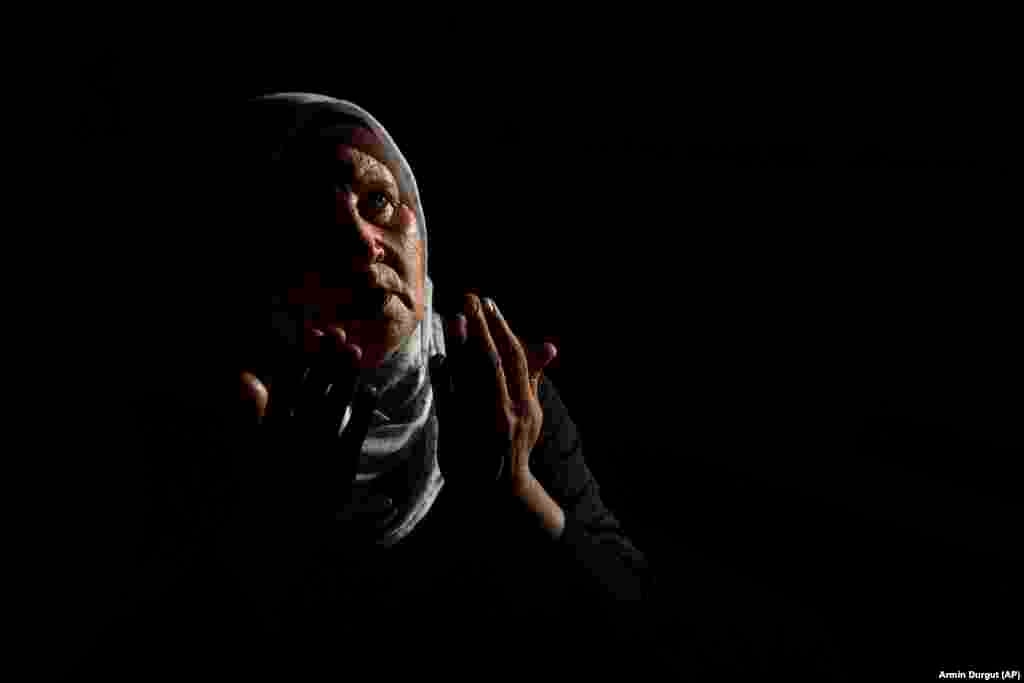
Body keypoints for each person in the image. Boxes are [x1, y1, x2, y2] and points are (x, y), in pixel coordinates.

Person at [76, 93, 656, 679]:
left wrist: (517, 487)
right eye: (309, 220)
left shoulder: (497, 396)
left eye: (378, 200)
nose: (361, 242)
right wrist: (280, 531)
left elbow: (642, 619)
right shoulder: (211, 419)